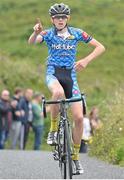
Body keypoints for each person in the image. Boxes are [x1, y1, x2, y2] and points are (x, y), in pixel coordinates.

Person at [28, 3, 105, 174]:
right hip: (53, 74)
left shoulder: (77, 33)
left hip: (71, 77)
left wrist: (86, 60)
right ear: (52, 19)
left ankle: (76, 158)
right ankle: (53, 131)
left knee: (78, 118)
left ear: (68, 18)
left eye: (63, 17)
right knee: (57, 92)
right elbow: (32, 42)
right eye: (57, 17)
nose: (60, 20)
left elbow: (101, 47)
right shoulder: (47, 33)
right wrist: (35, 31)